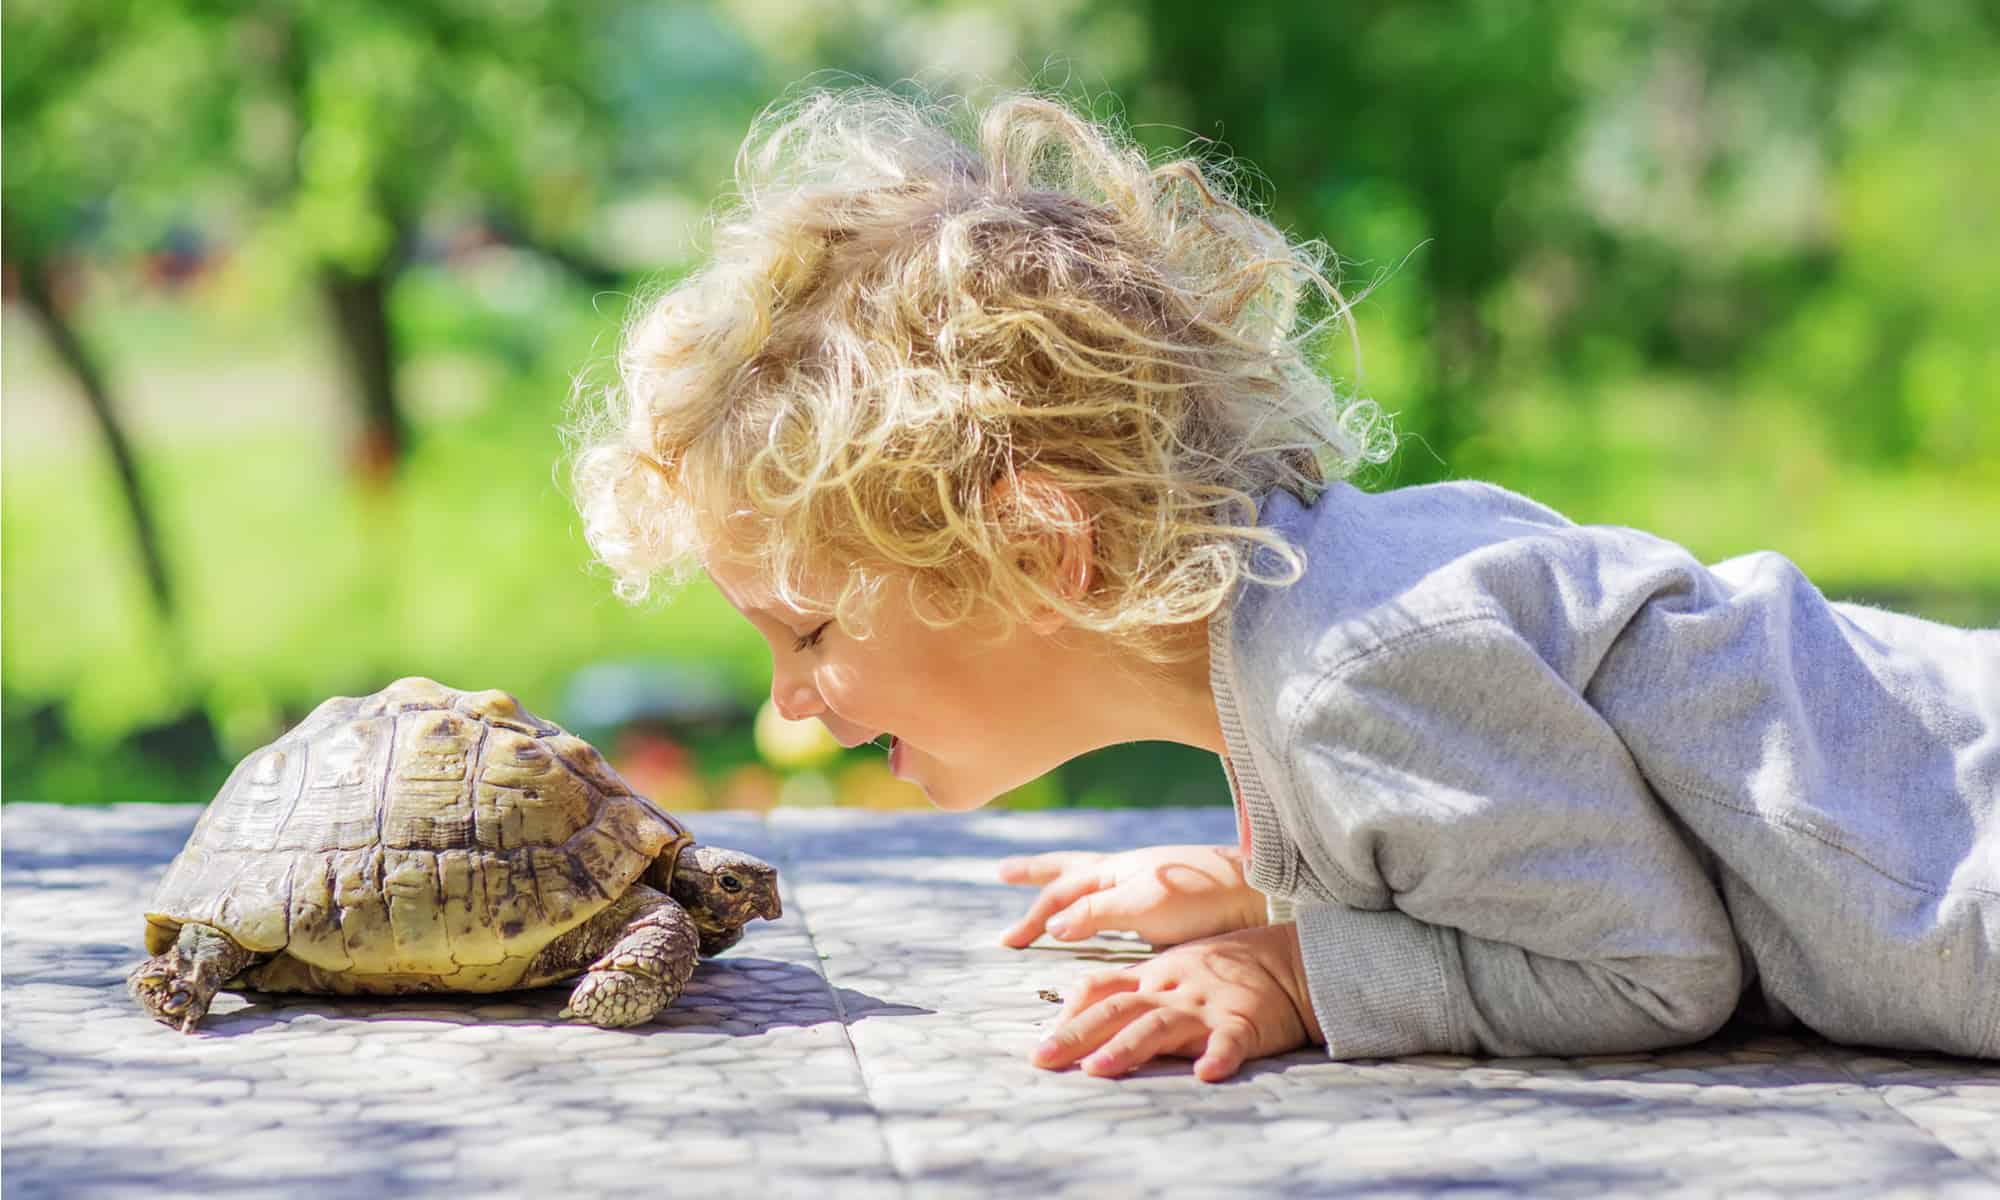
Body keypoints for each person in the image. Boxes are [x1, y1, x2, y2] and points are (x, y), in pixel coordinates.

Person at [564, 83, 1999, 1083]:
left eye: (807, 630)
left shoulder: (1348, 674)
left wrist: (1304, 973)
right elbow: (1541, 835)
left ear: (1033, 552)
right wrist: (1280, 885)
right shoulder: (1316, 613)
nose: (793, 706)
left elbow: (1651, 968)